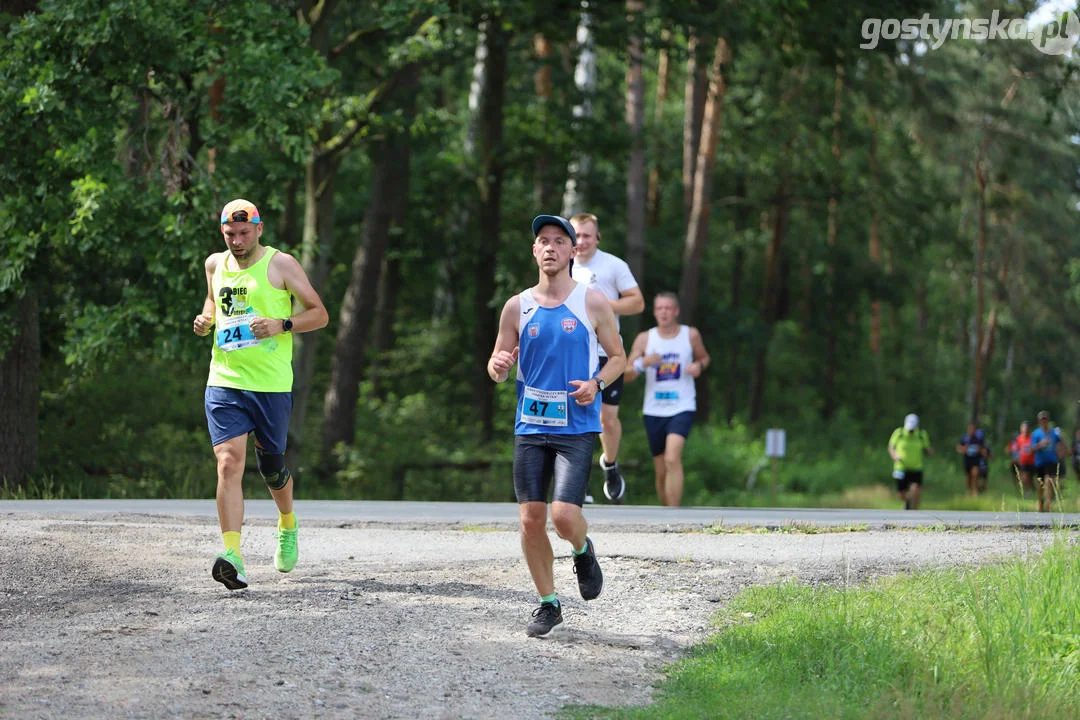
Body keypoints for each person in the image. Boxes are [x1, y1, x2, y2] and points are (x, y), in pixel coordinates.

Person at [487, 214, 626, 637]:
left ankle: (583, 550)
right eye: (542, 241)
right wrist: (497, 366)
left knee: (564, 517)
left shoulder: (592, 302)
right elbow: (498, 364)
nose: (550, 247)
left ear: (572, 251)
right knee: (530, 520)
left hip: (577, 426)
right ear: (534, 251)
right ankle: (548, 604)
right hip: (530, 426)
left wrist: (596, 383)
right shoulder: (517, 305)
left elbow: (618, 359)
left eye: (558, 241)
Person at [192, 199, 328, 590]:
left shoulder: (280, 264)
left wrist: (283, 323)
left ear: (259, 229)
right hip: (225, 379)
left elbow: (319, 313)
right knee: (228, 462)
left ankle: (287, 522)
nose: (237, 241)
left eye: (244, 233)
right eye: (230, 234)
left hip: (270, 384)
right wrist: (205, 321)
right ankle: (232, 555)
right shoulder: (214, 265)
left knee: (272, 467)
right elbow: (212, 306)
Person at [568, 213, 645, 504]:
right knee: (576, 418)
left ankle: (609, 464)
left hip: (608, 354)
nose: (581, 241)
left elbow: (637, 302)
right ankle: (579, 481)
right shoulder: (563, 266)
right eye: (576, 235)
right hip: (574, 353)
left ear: (597, 238)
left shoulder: (613, 265)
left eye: (587, 235)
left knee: (607, 420)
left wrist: (602, 304)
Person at [623, 292, 710, 507]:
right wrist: (643, 363)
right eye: (659, 308)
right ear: (654, 312)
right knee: (661, 469)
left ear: (676, 311)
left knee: (673, 458)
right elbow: (625, 374)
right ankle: (665, 514)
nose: (664, 312)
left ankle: (674, 513)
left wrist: (698, 367)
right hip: (654, 409)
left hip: (682, 405)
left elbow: (704, 358)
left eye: (668, 308)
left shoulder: (690, 335)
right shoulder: (645, 338)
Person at [887, 413, 934, 510]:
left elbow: (927, 448)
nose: (911, 430)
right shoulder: (899, 433)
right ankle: (908, 502)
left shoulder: (921, 435)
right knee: (901, 494)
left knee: (915, 489)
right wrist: (895, 456)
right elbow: (891, 447)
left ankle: (914, 513)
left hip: (916, 467)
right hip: (901, 467)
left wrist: (929, 451)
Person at [1030, 410, 1066, 513]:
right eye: (1042, 420)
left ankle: (1048, 504)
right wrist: (1040, 445)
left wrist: (1064, 452)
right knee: (1041, 485)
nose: (1044, 421)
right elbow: (1031, 449)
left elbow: (1061, 442)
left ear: (1048, 421)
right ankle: (1041, 503)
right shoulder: (1036, 434)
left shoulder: (1054, 433)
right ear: (1039, 421)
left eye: (1045, 419)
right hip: (1040, 462)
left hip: (1052, 461)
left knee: (1049, 481)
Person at [956, 423, 988, 496]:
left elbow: (983, 449)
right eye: (969, 429)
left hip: (975, 460)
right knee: (969, 477)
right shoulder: (964, 438)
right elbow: (958, 448)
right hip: (967, 460)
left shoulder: (978, 439)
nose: (971, 431)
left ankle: (975, 492)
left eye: (972, 429)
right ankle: (969, 491)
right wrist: (964, 449)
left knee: (975, 475)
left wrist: (981, 451)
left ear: (975, 430)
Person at [1006, 421, 1035, 496]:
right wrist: (1014, 458)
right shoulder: (1019, 439)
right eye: (1023, 427)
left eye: (1026, 428)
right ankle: (1026, 492)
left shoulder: (1033, 438)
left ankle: (1031, 489)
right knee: (1024, 477)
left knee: (1030, 478)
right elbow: (1016, 450)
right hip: (1022, 462)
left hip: (1032, 462)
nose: (1025, 429)